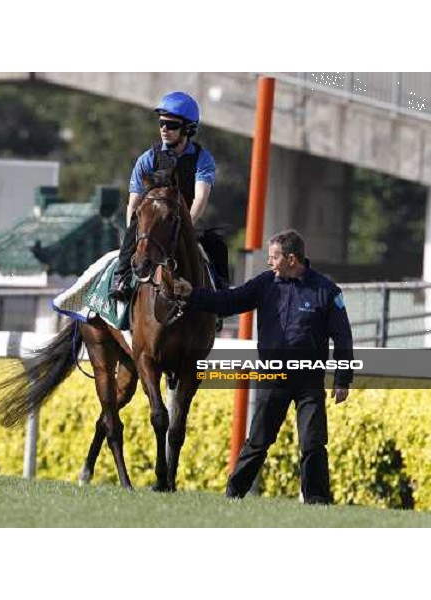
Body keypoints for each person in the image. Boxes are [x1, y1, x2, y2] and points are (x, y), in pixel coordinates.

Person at [174, 229, 354, 505]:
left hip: (309, 381)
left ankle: (317, 500)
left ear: (292, 259)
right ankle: (234, 494)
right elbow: (230, 301)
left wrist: (343, 379)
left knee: (313, 443)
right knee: (258, 441)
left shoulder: (326, 291)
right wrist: (192, 295)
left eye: (274, 257)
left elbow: (343, 336)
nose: (270, 263)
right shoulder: (265, 283)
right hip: (274, 377)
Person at [109, 91, 228, 301]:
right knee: (132, 235)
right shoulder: (147, 159)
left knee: (217, 245)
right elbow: (133, 204)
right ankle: (121, 279)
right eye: (162, 123)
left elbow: (200, 198)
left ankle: (221, 296)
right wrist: (136, 234)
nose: (164, 128)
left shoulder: (203, 159)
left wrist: (186, 225)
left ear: (188, 129)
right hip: (149, 225)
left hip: (184, 221)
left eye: (171, 125)